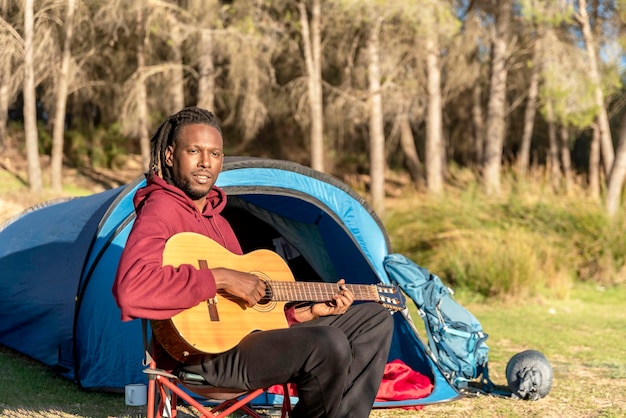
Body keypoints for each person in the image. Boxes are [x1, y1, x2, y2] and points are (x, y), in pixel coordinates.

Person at [112, 106, 394, 417]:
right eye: (194, 151)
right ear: (169, 155)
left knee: (374, 318)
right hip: (204, 356)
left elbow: (249, 314)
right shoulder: (160, 210)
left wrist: (308, 313)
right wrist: (219, 277)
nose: (205, 162)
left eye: (215, 154)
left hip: (246, 343)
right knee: (326, 343)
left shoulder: (219, 221)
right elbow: (131, 290)